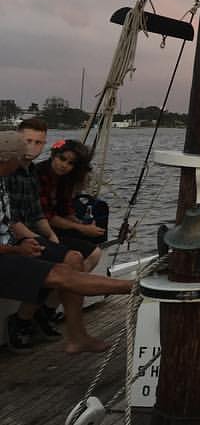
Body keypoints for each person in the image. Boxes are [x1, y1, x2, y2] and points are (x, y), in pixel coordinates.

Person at [0, 131, 134, 354]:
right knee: (61, 275)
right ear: (8, 159)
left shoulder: (7, 180)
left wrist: (28, 240)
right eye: (19, 157)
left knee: (72, 258)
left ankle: (77, 336)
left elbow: (12, 220)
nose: (24, 160)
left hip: (14, 244)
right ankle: (138, 288)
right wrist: (18, 248)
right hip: (7, 252)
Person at [35, 139, 105, 272]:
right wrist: (80, 228)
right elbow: (46, 215)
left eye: (71, 163)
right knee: (82, 256)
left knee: (94, 253)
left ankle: (69, 287)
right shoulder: (38, 174)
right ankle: (71, 286)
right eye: (62, 159)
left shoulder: (65, 179)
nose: (64, 165)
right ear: (54, 155)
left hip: (53, 229)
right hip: (38, 229)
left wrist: (83, 225)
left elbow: (65, 209)